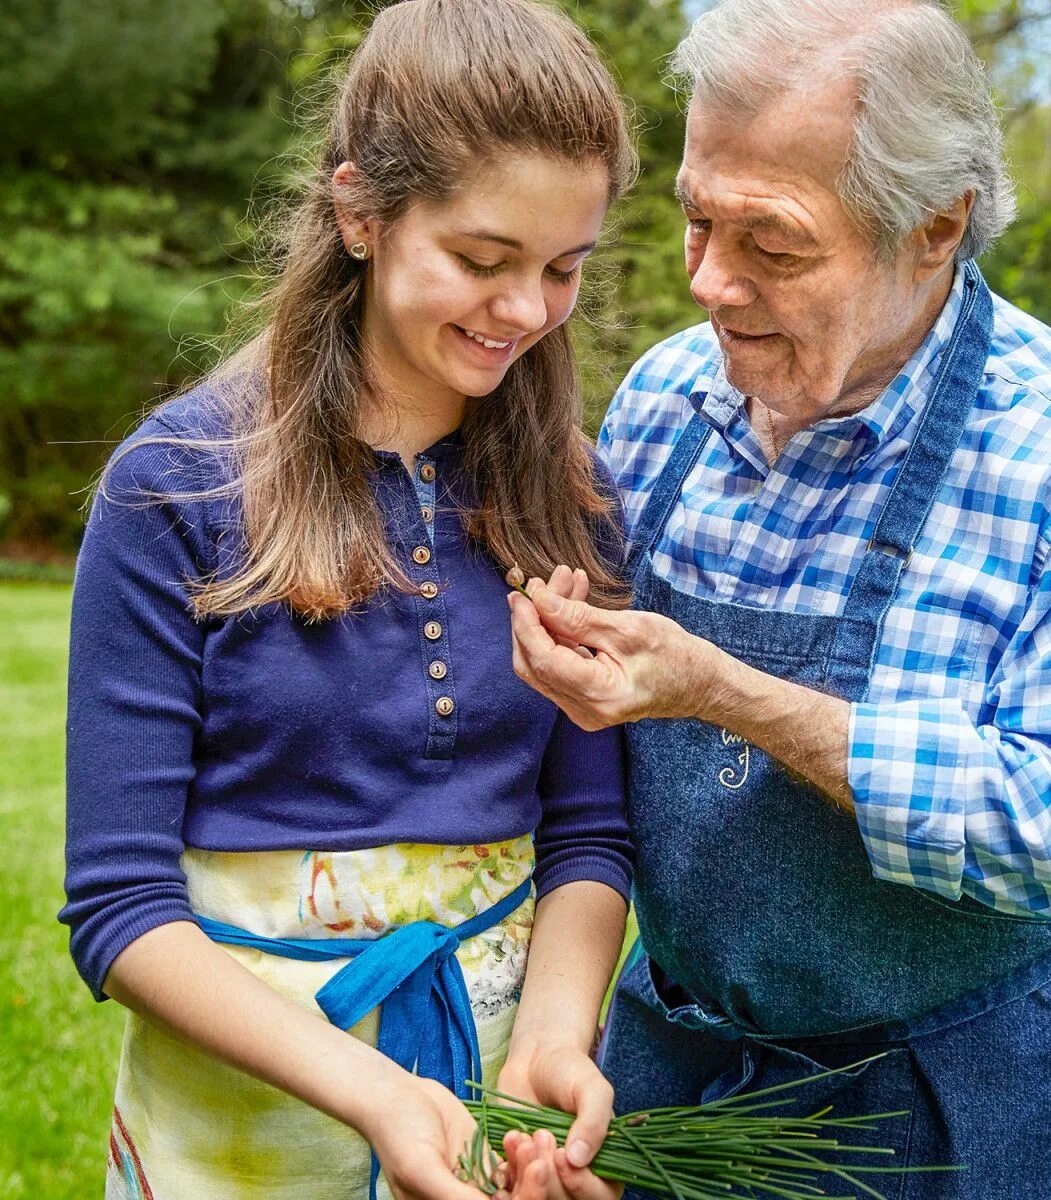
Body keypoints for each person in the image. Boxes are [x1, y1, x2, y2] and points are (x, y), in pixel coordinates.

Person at [504, 2, 1051, 1198]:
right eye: (695, 219)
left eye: (772, 244)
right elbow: (588, 771)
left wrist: (723, 692)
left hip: (941, 1091)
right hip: (679, 1046)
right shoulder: (668, 399)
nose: (713, 284)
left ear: (934, 227)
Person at [59, 2, 639, 1197]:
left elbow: (587, 829)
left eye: (562, 268)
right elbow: (120, 910)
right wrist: (373, 1092)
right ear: (361, 212)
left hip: (488, 1119)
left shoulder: (566, 494)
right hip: (240, 1133)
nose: (526, 310)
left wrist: (550, 1039)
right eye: (482, 261)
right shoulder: (179, 487)